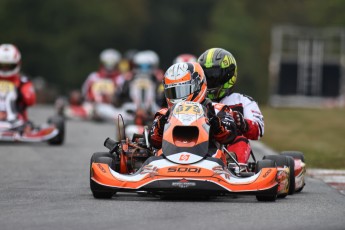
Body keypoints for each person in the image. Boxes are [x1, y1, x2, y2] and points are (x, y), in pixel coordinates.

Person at [149, 62, 237, 162]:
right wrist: (163, 122)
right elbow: (154, 140)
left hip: (210, 159)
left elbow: (229, 135)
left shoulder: (217, 109)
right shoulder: (163, 114)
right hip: (167, 159)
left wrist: (213, 120)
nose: (178, 97)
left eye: (182, 90)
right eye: (173, 92)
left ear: (198, 85)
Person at [198, 48, 264, 164]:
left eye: (214, 76)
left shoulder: (243, 101)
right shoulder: (194, 100)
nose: (210, 81)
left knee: (240, 140)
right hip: (197, 143)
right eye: (207, 76)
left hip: (226, 149)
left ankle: (231, 165)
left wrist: (242, 123)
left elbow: (259, 130)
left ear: (229, 75)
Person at [0, 44, 36, 122]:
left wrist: (20, 94)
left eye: (9, 66)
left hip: (17, 121)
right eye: (2, 65)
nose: (5, 69)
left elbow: (31, 100)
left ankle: (12, 120)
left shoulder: (23, 82)